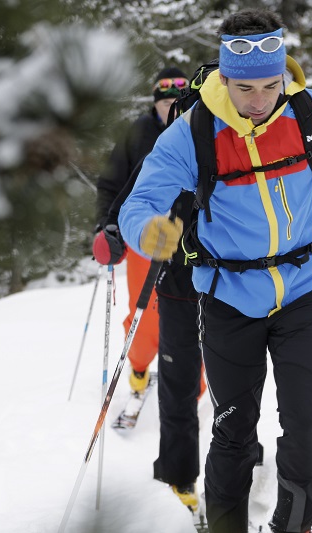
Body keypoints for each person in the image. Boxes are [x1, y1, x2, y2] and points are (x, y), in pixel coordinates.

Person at [118, 9, 312, 533]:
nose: (259, 100)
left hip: (303, 293)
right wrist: (147, 231)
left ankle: (293, 526)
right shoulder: (194, 132)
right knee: (233, 433)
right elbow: (140, 201)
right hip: (228, 299)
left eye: (271, 85)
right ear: (225, 77)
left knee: (305, 429)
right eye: (246, 88)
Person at [92, 66, 206, 511]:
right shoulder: (139, 134)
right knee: (145, 317)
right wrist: (108, 227)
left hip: (188, 249)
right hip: (142, 239)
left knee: (188, 332)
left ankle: (187, 389)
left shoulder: (198, 128)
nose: (168, 106)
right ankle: (140, 369)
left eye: (175, 99)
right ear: (154, 101)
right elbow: (112, 185)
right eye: (162, 99)